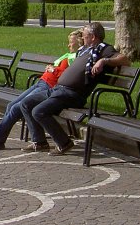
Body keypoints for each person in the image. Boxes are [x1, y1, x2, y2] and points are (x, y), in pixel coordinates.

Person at [0, 29, 84, 152]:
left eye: (71, 42)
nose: (69, 45)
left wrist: (53, 70)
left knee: (17, 107)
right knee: (11, 105)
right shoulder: (70, 55)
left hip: (48, 87)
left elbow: (67, 77)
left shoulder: (76, 58)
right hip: (40, 83)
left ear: (80, 43)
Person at [31, 21, 131, 155]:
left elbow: (125, 60)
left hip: (72, 94)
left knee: (39, 111)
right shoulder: (84, 50)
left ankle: (64, 143)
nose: (82, 39)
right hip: (58, 90)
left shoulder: (103, 49)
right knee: (26, 104)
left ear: (93, 37)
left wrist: (103, 61)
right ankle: (40, 142)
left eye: (84, 36)